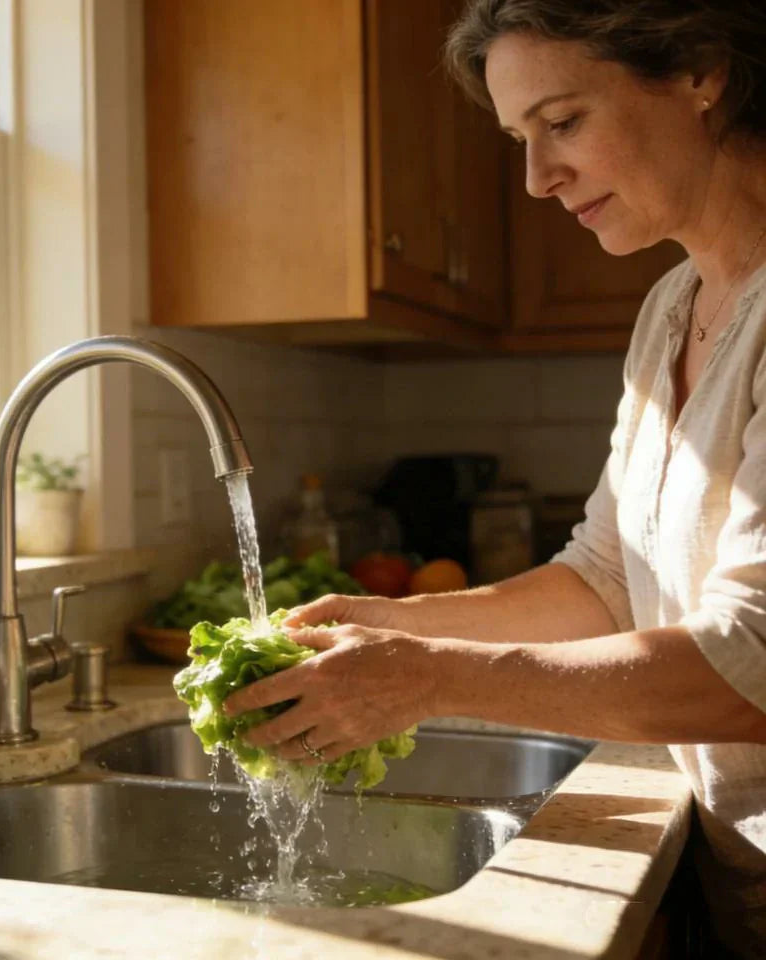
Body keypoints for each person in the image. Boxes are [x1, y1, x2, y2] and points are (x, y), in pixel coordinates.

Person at [222, 2, 766, 954]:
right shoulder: (672, 308)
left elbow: (753, 667)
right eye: (521, 138)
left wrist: (423, 678)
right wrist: (384, 624)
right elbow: (605, 573)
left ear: (699, 71)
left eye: (562, 123)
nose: (536, 179)